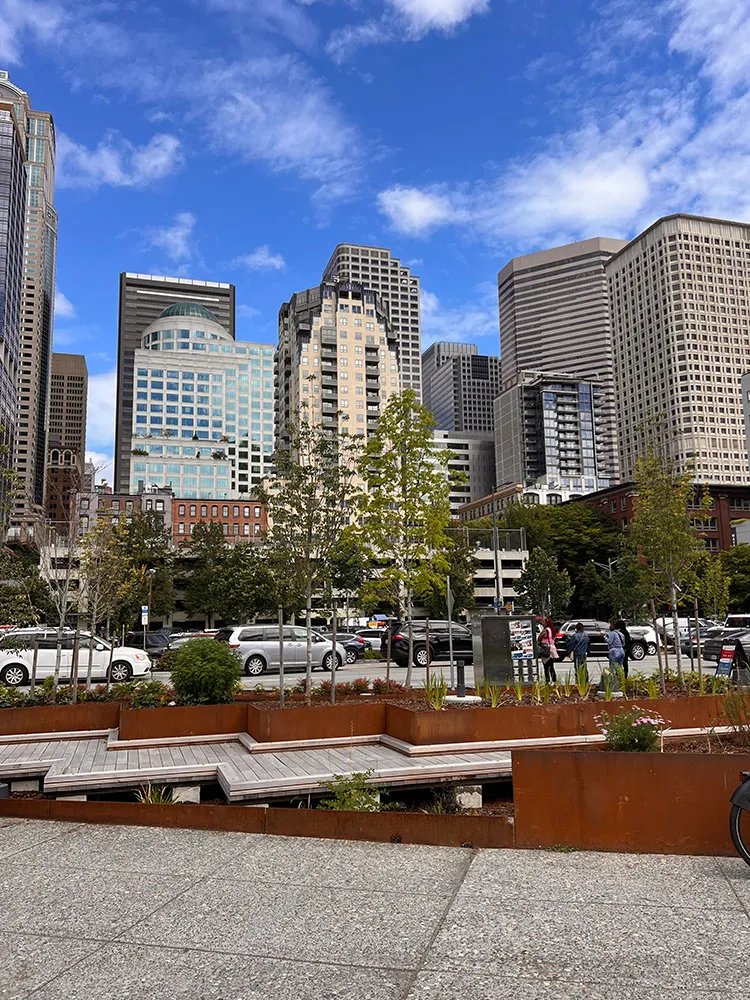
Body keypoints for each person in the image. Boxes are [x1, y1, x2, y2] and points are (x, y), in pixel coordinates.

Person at [605, 622, 625, 694]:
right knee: (619, 668)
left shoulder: (612, 633)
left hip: (614, 651)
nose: (609, 627)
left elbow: (609, 642)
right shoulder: (621, 634)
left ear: (613, 626)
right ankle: (621, 683)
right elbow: (623, 643)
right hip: (621, 651)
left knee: (612, 667)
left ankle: (613, 685)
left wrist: (604, 637)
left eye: (611, 625)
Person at [538, 617, 559, 684]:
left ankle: (548, 681)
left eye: (543, 622)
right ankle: (554, 681)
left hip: (546, 650)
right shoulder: (552, 630)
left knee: (546, 667)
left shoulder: (545, 630)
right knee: (551, 666)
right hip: (552, 649)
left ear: (546, 623)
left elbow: (539, 638)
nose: (542, 623)